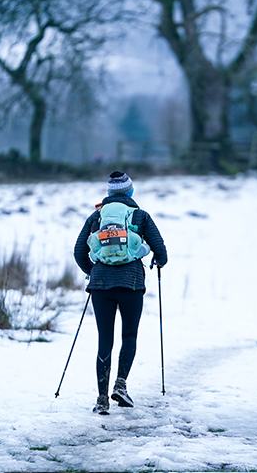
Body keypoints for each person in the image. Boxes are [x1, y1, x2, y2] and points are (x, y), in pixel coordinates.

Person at [73, 171, 168, 415]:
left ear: (109, 194)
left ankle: (102, 399)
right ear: (130, 192)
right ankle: (121, 385)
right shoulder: (140, 216)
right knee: (129, 336)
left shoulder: (96, 216)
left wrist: (92, 271)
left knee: (105, 340)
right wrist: (157, 261)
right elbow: (161, 251)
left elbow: (78, 251)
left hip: (101, 285)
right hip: (131, 283)